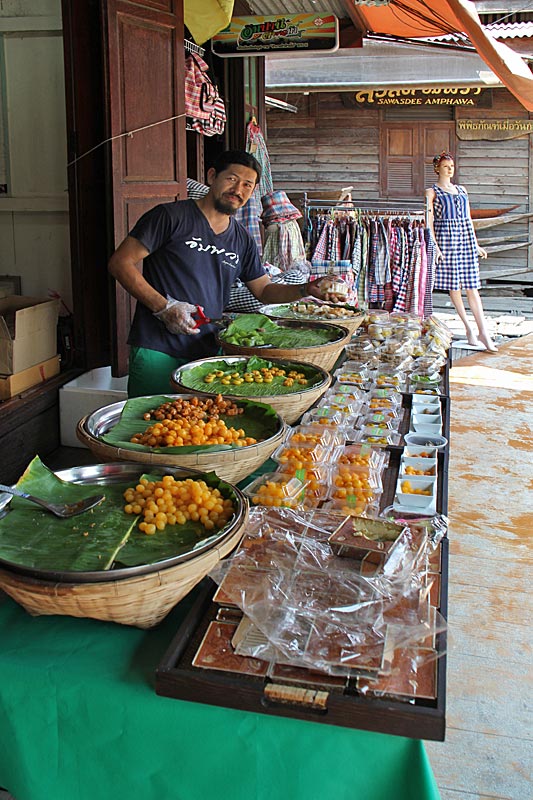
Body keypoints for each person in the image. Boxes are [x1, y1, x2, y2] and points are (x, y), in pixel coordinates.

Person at [109, 150, 333, 396]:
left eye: (247, 185)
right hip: (156, 347)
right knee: (151, 423)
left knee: (200, 428)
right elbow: (121, 263)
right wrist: (164, 307)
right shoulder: (170, 216)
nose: (238, 189)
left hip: (207, 351)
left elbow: (265, 291)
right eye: (232, 179)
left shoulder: (241, 240)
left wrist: (305, 289)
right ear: (212, 176)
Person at [425, 151, 497, 352]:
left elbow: (468, 220)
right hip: (446, 240)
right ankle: (468, 329)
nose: (450, 169)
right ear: (437, 168)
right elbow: (429, 222)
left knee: (472, 286)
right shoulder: (432, 192)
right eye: (446, 166)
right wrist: (435, 246)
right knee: (454, 287)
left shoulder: (462, 190)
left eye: (452, 166)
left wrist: (475, 244)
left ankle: (483, 331)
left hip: (464, 239)